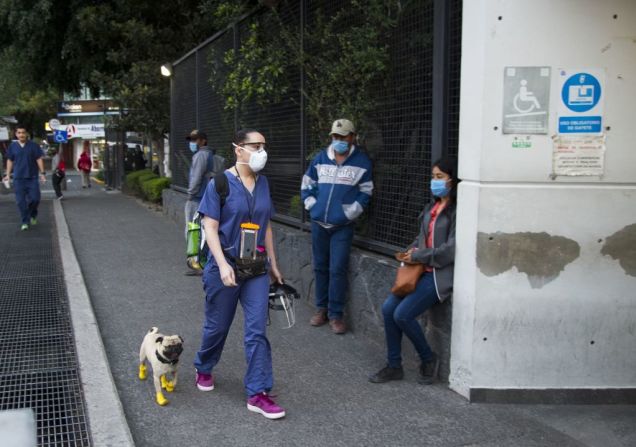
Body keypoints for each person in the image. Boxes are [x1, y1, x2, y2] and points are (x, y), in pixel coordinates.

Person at [193, 129, 286, 420]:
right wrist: (221, 264)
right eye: (255, 146)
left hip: (255, 268)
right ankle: (204, 365)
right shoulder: (219, 183)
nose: (261, 151)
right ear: (239, 149)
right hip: (226, 263)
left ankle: (258, 393)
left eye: (264, 146)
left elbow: (266, 225)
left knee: (257, 330)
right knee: (217, 327)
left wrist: (273, 263)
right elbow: (210, 227)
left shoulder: (264, 183)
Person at [369, 157, 458, 385]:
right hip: (419, 271)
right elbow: (422, 239)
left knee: (403, 314)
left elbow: (450, 250)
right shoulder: (431, 207)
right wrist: (411, 251)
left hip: (438, 276)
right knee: (389, 309)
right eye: (433, 177)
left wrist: (419, 255)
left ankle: (428, 358)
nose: (434, 181)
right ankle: (393, 365)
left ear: (452, 180)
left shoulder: (457, 212)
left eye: (440, 177)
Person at [300, 119, 373, 334]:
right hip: (318, 223)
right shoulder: (320, 159)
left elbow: (366, 191)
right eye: (335, 137)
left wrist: (349, 213)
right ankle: (321, 309)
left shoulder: (362, 162)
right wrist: (312, 206)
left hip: (342, 226)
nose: (338, 141)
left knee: (338, 269)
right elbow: (307, 185)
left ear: (352, 137)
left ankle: (336, 315)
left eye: (343, 137)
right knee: (320, 267)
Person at [184, 129, 225, 275]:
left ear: (203, 141)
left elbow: (196, 177)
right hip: (210, 198)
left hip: (197, 198)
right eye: (191, 140)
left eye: (195, 140)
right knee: (207, 231)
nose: (192, 143)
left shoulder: (200, 155)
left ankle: (198, 264)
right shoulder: (214, 156)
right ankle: (206, 262)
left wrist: (190, 194)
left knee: (194, 231)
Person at [2, 125, 47, 230]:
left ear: (26, 134)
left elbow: (39, 159)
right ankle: (25, 222)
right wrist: (7, 174)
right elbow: (10, 160)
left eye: (23, 132)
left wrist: (43, 173)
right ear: (16, 134)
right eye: (19, 133)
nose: (21, 134)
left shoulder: (33, 146)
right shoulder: (12, 146)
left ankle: (33, 214)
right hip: (18, 179)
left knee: (35, 199)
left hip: (32, 177)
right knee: (20, 202)